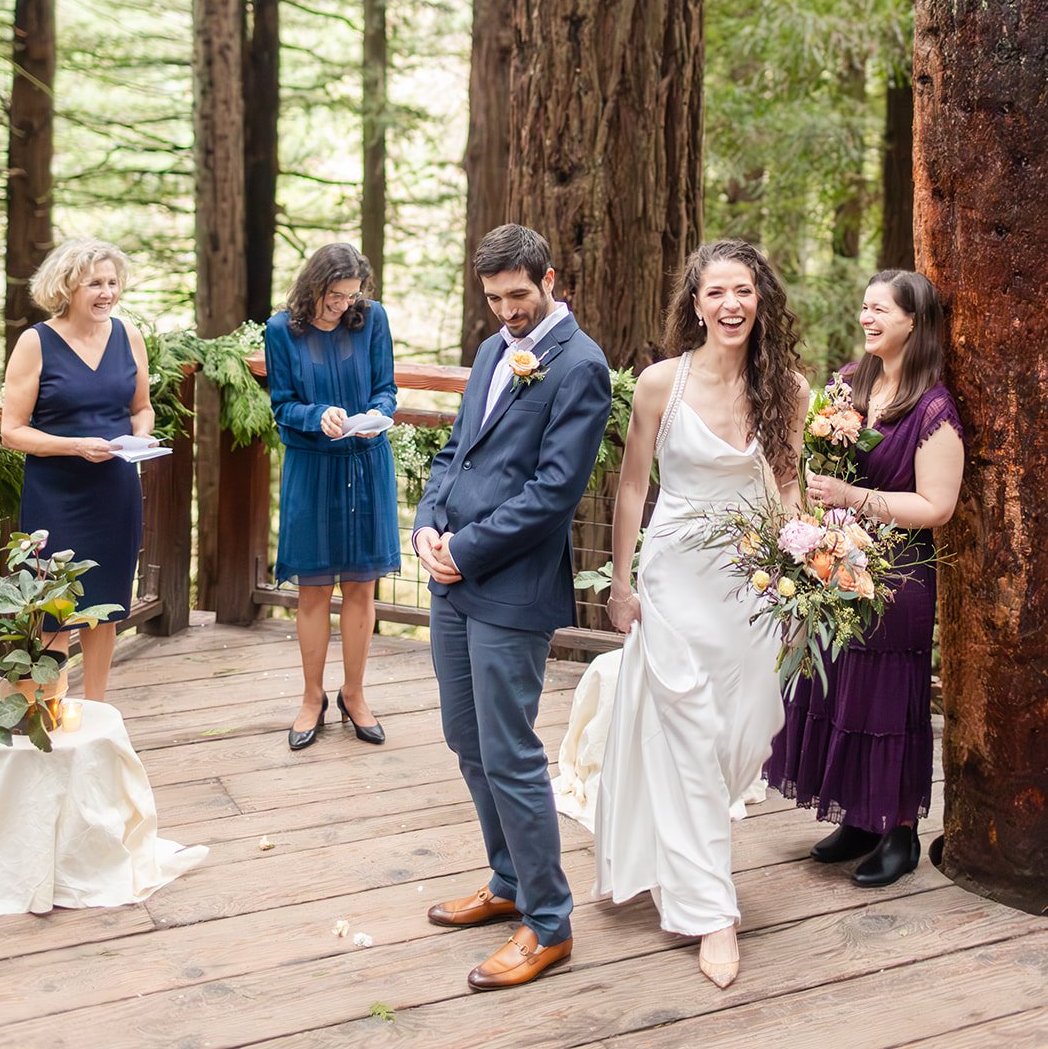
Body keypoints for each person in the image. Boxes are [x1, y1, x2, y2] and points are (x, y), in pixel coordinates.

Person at [595, 240, 808, 990]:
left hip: (750, 585)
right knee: (685, 727)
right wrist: (620, 584)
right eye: (715, 291)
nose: (730, 304)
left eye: (743, 290)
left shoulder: (788, 389)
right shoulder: (661, 383)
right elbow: (629, 490)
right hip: (676, 577)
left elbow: (788, 493)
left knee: (746, 729)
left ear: (760, 300)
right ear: (695, 304)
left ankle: (681, 849)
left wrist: (804, 579)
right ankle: (709, 910)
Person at [413, 224, 611, 992]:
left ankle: (550, 924)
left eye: (519, 296)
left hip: (509, 585)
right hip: (450, 575)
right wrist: (430, 521)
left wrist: (465, 550)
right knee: (465, 737)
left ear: (550, 280)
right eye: (494, 300)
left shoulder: (581, 366)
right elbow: (454, 451)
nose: (507, 313)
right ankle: (505, 884)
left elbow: (554, 493)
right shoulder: (497, 349)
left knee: (510, 750)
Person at [765, 269, 964, 887]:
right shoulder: (851, 383)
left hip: (899, 572)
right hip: (839, 563)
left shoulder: (935, 409)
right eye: (864, 307)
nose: (866, 318)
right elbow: (811, 461)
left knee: (885, 702)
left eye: (881, 309)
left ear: (914, 320)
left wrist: (855, 496)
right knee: (839, 690)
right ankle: (858, 815)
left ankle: (899, 830)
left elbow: (937, 506)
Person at [1, 238, 155, 701]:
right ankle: (49, 708)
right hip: (56, 496)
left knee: (105, 607)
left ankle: (96, 711)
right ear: (68, 286)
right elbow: (12, 431)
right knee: (52, 612)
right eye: (95, 283)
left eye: (113, 282)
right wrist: (74, 446)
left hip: (115, 491)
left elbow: (142, 407)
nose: (107, 292)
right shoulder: (36, 342)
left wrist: (142, 437)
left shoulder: (128, 335)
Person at [265, 242, 400, 752]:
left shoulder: (372, 319)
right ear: (313, 287)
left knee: (362, 586)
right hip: (312, 467)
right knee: (314, 589)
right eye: (335, 295)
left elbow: (386, 388)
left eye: (351, 295)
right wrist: (316, 415)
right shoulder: (282, 330)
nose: (344, 304)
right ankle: (310, 698)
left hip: (366, 463)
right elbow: (282, 405)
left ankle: (355, 694)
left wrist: (376, 416)